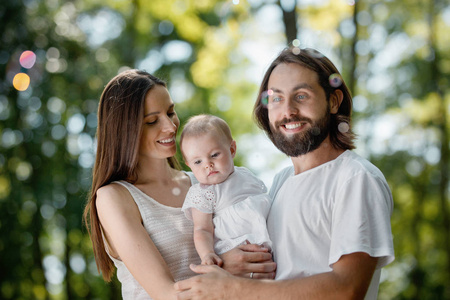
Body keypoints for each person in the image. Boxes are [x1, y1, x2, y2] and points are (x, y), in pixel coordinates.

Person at [174, 47, 395, 299]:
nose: (288, 110)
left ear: (333, 101)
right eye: (276, 98)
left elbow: (347, 288)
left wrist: (234, 289)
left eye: (301, 96)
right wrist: (228, 264)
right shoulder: (280, 182)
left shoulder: (356, 178)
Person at [82, 70, 276, 300]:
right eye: (152, 121)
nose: (171, 127)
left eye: (170, 112)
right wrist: (224, 269)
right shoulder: (114, 197)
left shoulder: (204, 181)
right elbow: (165, 294)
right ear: (125, 131)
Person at [180, 114, 272, 267]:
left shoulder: (245, 175)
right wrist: (207, 254)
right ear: (189, 165)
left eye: (214, 155)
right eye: (198, 161)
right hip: (237, 249)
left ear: (232, 149)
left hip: (271, 242)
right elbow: (202, 229)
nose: (207, 164)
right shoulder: (203, 193)